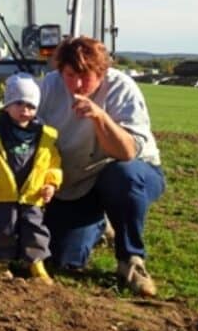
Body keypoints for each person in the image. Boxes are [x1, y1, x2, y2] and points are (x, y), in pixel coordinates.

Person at [38, 37, 164, 297]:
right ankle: (99, 224)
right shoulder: (49, 87)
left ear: (102, 72)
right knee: (63, 259)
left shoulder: (121, 88)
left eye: (85, 76)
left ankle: (131, 260)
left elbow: (127, 152)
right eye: (70, 75)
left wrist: (99, 117)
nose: (77, 84)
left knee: (123, 176)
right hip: (76, 181)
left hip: (127, 171)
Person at [0, 73, 62, 284]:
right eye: (19, 103)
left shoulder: (46, 136)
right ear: (7, 105)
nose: (25, 110)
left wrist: (51, 183)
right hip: (1, 193)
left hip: (33, 193)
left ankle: (36, 263)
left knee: (35, 228)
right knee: (3, 228)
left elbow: (53, 163)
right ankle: (1, 262)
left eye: (31, 106)